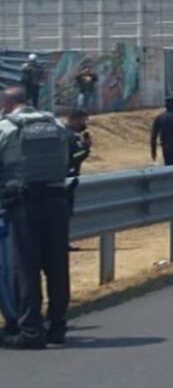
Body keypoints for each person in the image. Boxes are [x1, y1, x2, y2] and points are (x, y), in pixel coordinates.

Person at [0, 86, 72, 348]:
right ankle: (58, 328)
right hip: (57, 200)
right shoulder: (55, 124)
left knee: (26, 268)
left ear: (7, 105)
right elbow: (66, 159)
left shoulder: (6, 128)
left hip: (24, 204)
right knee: (57, 266)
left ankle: (30, 331)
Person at [63, 109, 90, 251]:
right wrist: (86, 147)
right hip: (68, 178)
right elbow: (76, 155)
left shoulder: (62, 133)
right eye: (82, 120)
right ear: (74, 119)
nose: (84, 123)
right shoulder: (71, 137)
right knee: (65, 213)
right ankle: (63, 242)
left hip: (62, 177)